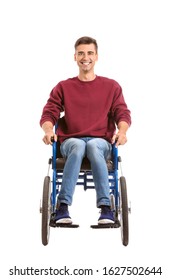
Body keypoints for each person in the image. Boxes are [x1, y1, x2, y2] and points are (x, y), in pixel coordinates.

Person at [40, 36, 131, 225]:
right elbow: (49, 113)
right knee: (79, 145)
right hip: (71, 141)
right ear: (75, 57)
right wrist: (48, 131)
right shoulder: (64, 86)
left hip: (101, 141)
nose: (85, 57)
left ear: (96, 56)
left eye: (90, 53)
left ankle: (106, 208)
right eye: (81, 53)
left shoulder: (111, 86)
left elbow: (122, 113)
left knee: (93, 146)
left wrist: (122, 132)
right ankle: (62, 206)